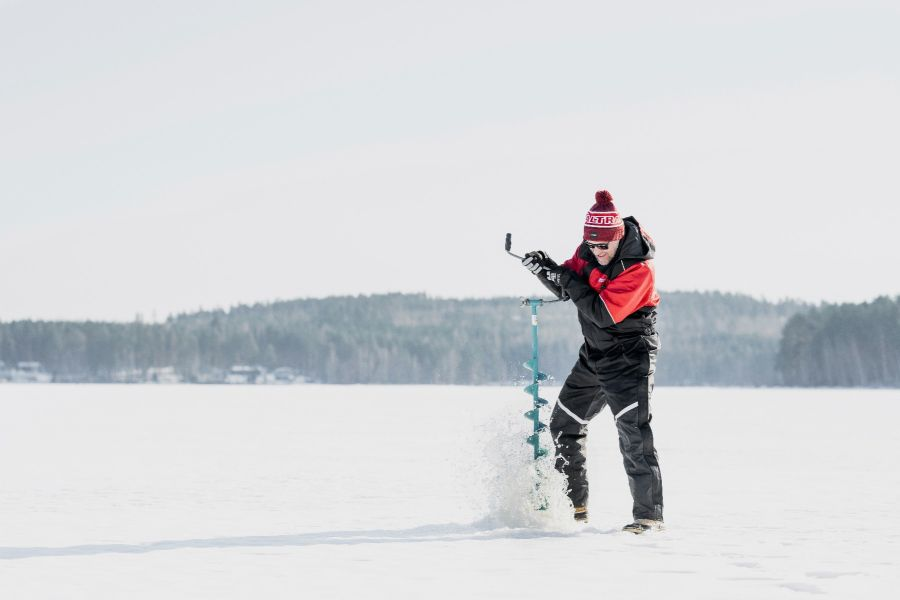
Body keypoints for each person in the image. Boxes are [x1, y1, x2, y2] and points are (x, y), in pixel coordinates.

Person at [521, 189, 664, 534]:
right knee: (563, 426)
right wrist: (545, 269)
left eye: (604, 246)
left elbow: (601, 312)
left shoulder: (638, 270)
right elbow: (568, 287)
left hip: (630, 358)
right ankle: (576, 508)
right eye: (592, 245)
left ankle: (649, 517)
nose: (597, 252)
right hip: (594, 356)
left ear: (617, 237)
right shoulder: (587, 253)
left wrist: (567, 278)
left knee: (633, 433)